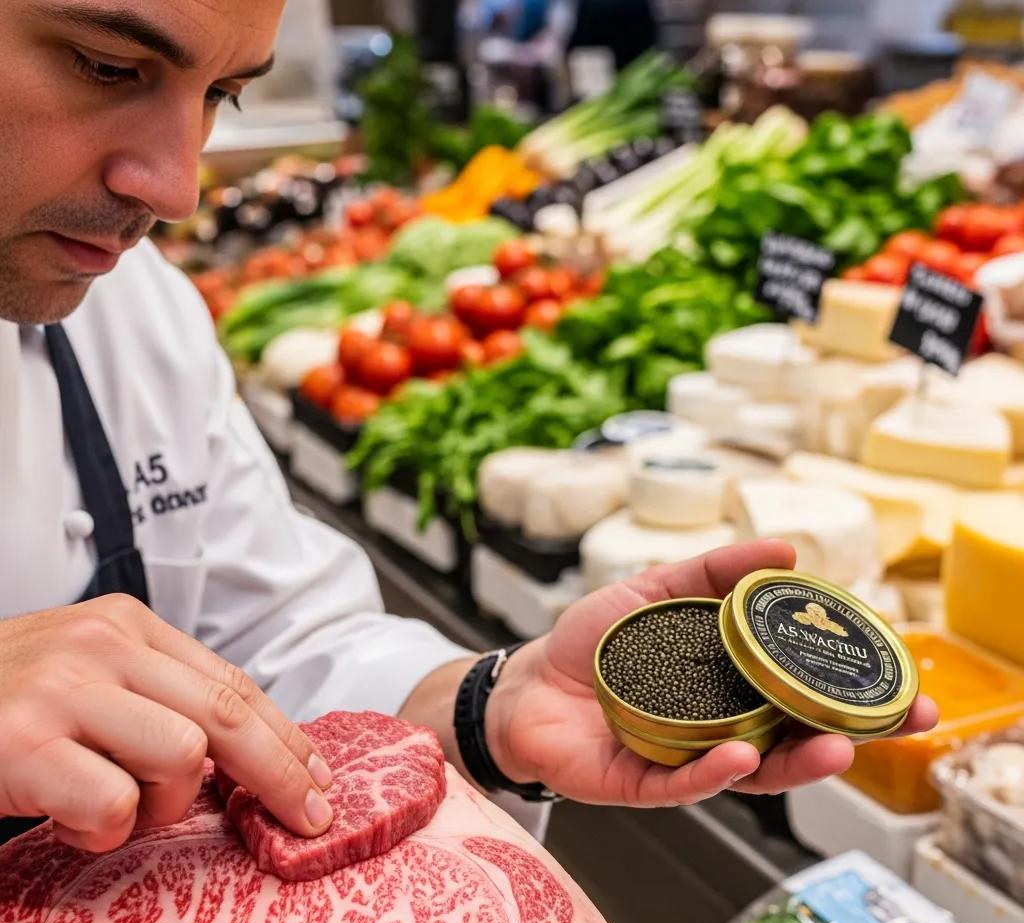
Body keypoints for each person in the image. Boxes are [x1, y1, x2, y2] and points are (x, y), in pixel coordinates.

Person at [0, 0, 938, 856]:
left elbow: (269, 640)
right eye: (106, 66)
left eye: (223, 98)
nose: (176, 189)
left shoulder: (139, 314)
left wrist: (490, 712)